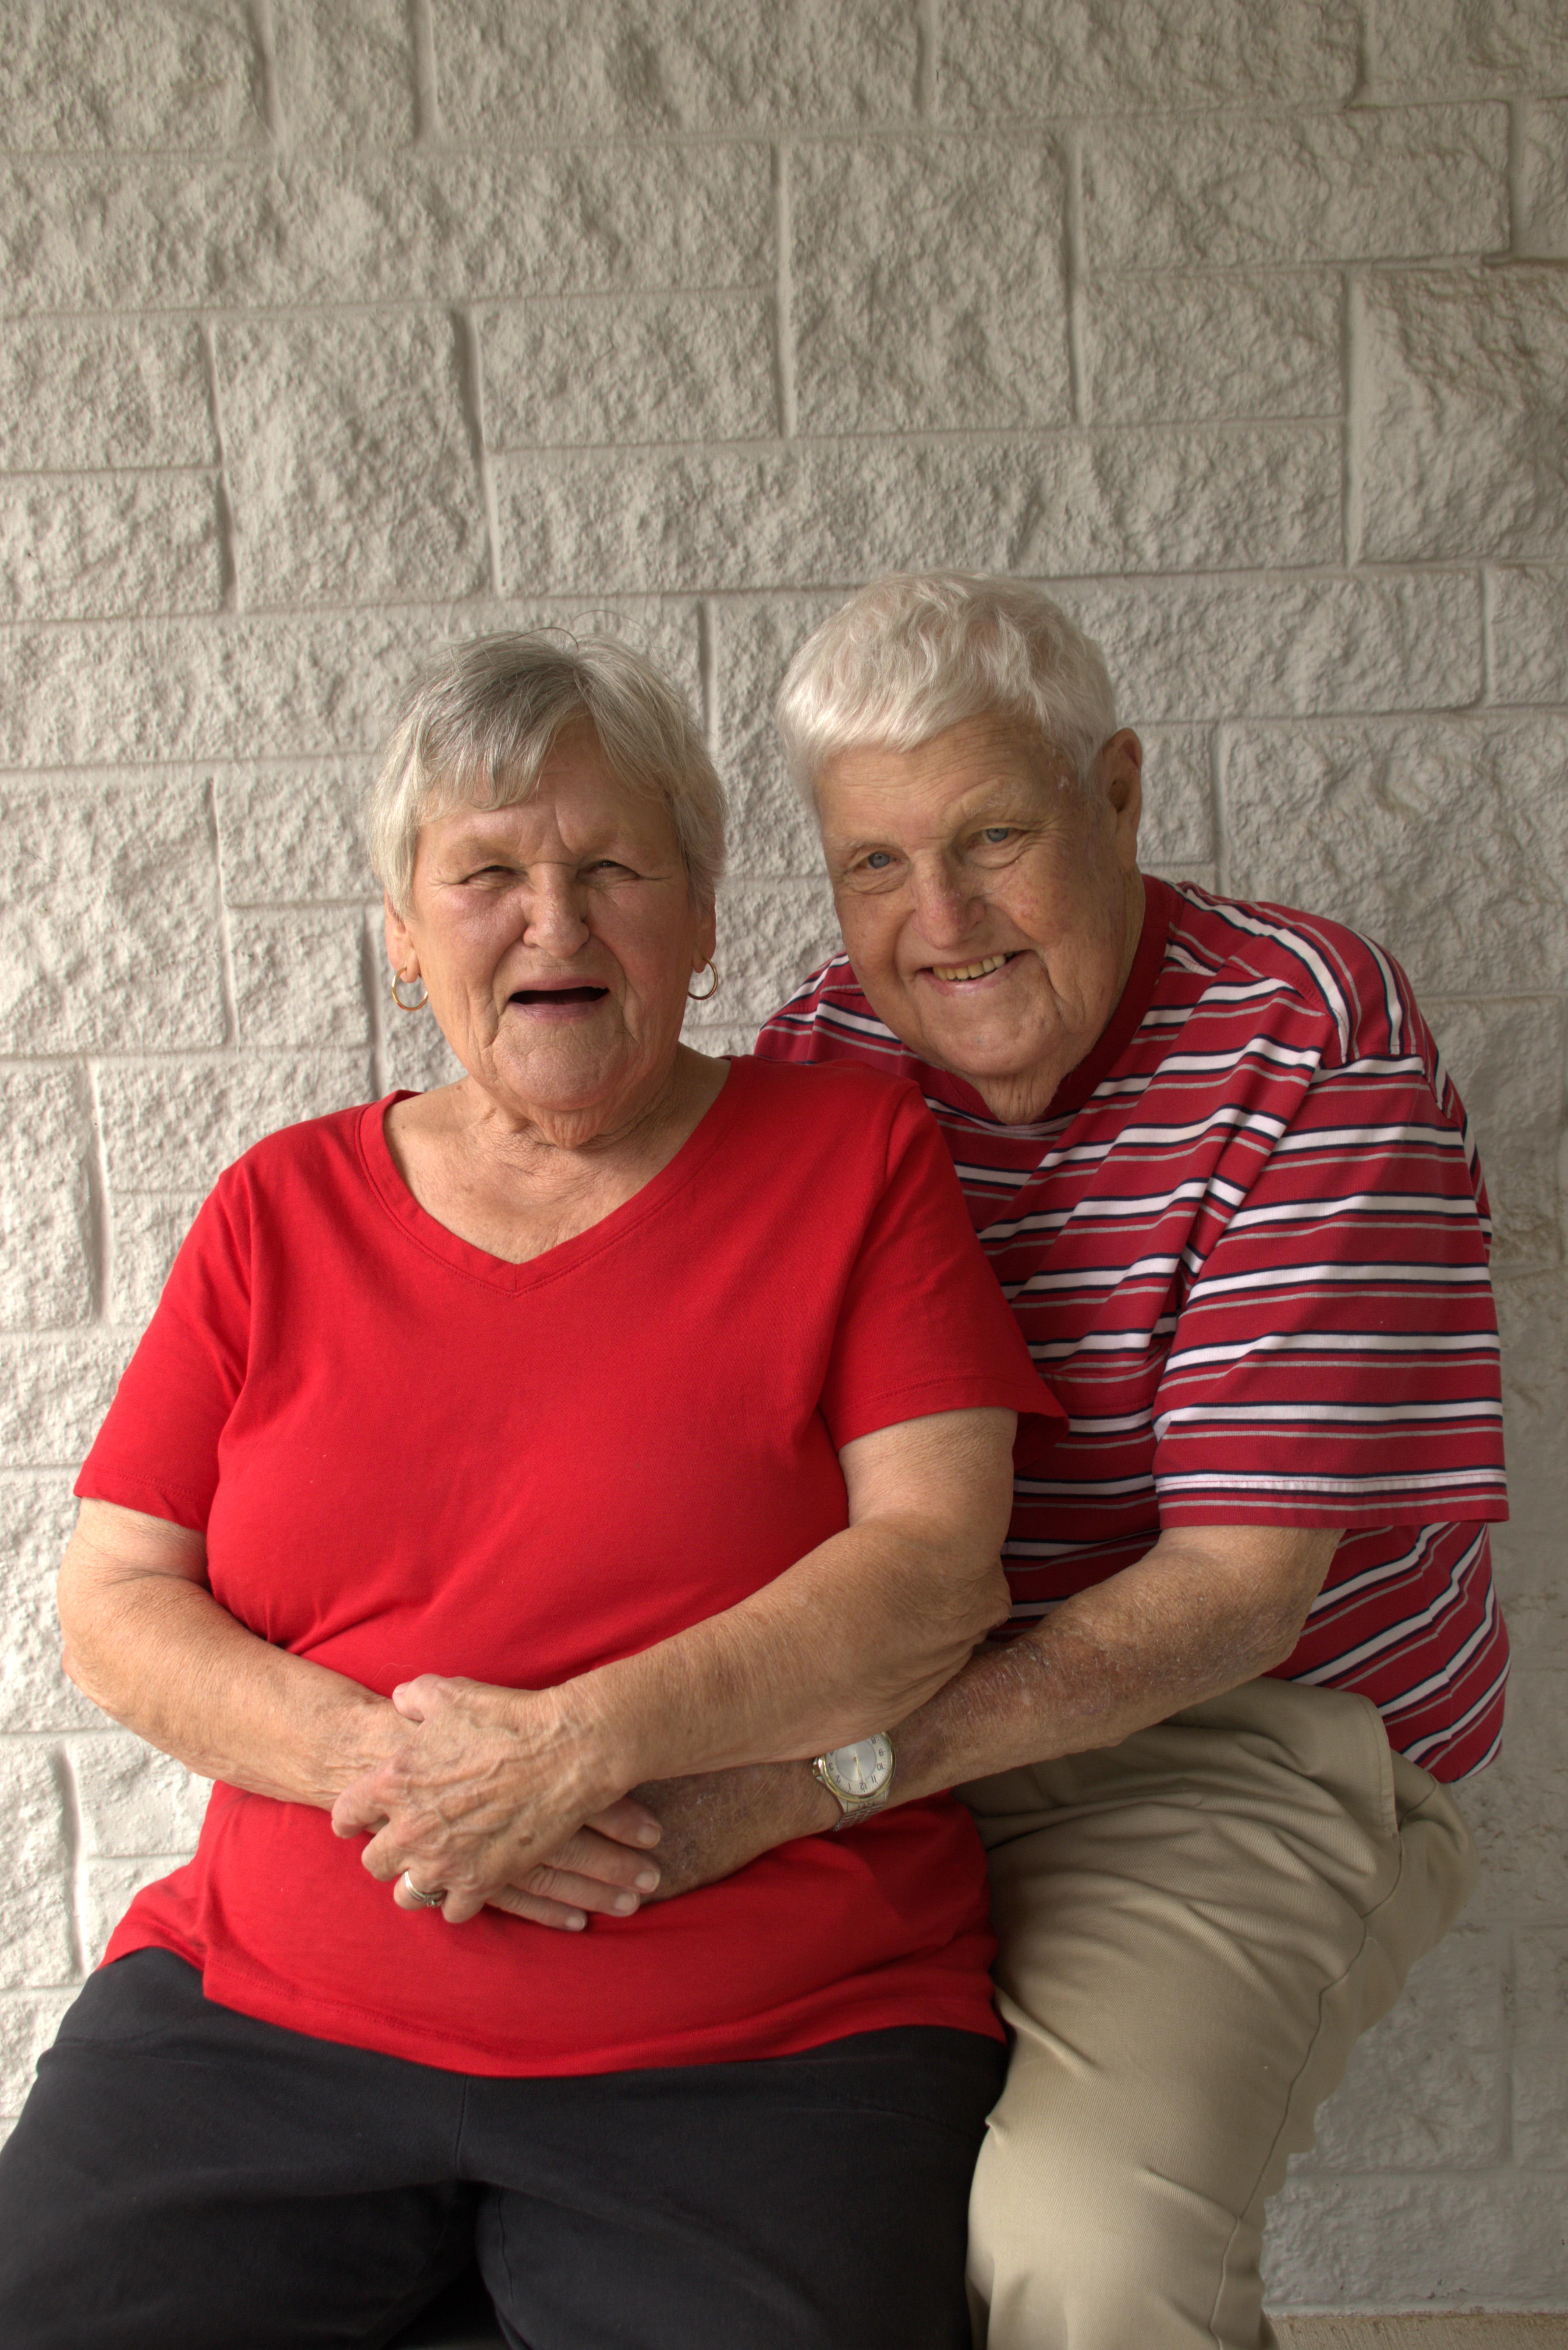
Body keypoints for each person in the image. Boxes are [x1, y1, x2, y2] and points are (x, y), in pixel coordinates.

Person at [0, 630, 1061, 2350]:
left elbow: (940, 1569)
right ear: (408, 938)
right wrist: (395, 1770)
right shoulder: (278, 1209)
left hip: (761, 2045)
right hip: (268, 2024)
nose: (554, 923)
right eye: (486, 874)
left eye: (612, 869)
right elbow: (113, 1608)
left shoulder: (853, 1160)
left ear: (704, 916)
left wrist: (590, 1745)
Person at [624, 574, 1508, 2350]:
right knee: (702, 2200)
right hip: (893, 1724)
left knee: (1081, 2262)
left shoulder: (1309, 1035)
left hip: (1232, 1742)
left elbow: (1235, 1604)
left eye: (994, 836)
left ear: (1116, 793)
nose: (939, 920)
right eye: (875, 863)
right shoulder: (825, 1058)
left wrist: (814, 1780)